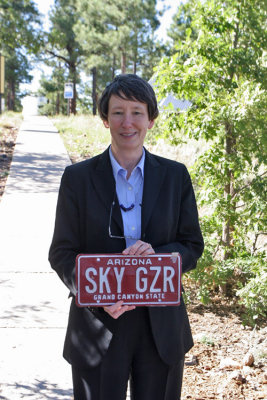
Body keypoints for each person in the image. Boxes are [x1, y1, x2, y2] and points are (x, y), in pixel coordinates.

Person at [49, 74, 204, 400]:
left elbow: (191, 245)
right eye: (118, 112)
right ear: (105, 119)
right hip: (97, 324)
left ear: (151, 118)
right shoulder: (77, 179)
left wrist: (159, 257)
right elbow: (62, 252)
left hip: (160, 327)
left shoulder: (176, 176)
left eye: (137, 111)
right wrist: (98, 293)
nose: (128, 122)